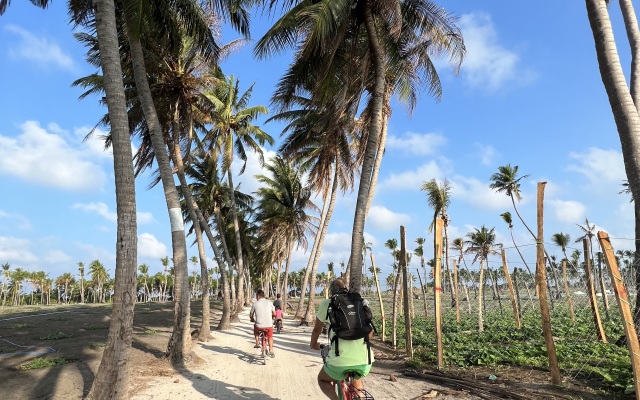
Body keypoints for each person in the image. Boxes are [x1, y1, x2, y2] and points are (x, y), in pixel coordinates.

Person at [310, 279, 374, 399]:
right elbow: (371, 331)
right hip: (365, 361)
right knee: (357, 378)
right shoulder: (359, 302)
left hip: (339, 362)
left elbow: (317, 330)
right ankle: (359, 396)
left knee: (322, 380)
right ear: (346, 288)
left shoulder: (328, 303)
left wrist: (313, 345)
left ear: (331, 291)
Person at [249, 289, 276, 357]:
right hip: (269, 326)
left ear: (258, 296)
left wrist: (252, 319)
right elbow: (274, 313)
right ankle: (271, 350)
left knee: (256, 331)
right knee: (270, 336)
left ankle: (257, 343)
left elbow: (251, 315)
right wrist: (272, 317)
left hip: (259, 326)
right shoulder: (269, 302)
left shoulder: (255, 304)